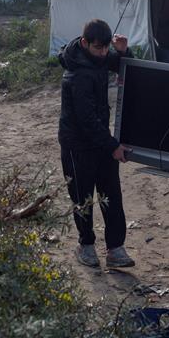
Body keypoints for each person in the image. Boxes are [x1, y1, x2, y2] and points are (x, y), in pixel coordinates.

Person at [58, 19, 135, 268]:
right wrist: (113, 145)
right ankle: (86, 245)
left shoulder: (98, 58)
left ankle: (115, 248)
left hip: (100, 140)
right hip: (77, 144)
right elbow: (86, 120)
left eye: (105, 48)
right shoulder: (76, 75)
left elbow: (122, 65)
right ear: (84, 43)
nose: (103, 53)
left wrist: (123, 51)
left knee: (111, 193)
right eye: (98, 49)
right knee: (82, 197)